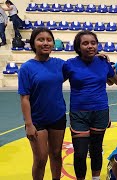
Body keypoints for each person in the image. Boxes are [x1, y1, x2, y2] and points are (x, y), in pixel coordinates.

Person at [63, 30, 117, 180]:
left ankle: (96, 178)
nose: (90, 46)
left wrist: (109, 62)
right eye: (85, 43)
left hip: (100, 112)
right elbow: (55, 81)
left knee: (96, 149)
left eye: (93, 43)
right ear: (78, 47)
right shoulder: (69, 65)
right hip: (79, 114)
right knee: (80, 153)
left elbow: (113, 80)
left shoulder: (102, 62)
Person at [18, 27, 66, 180]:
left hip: (57, 116)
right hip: (37, 119)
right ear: (33, 43)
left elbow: (80, 64)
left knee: (57, 154)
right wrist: (28, 124)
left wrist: (97, 56)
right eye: (41, 39)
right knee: (40, 159)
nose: (45, 43)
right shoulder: (26, 68)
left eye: (49, 40)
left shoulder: (60, 64)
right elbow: (24, 98)